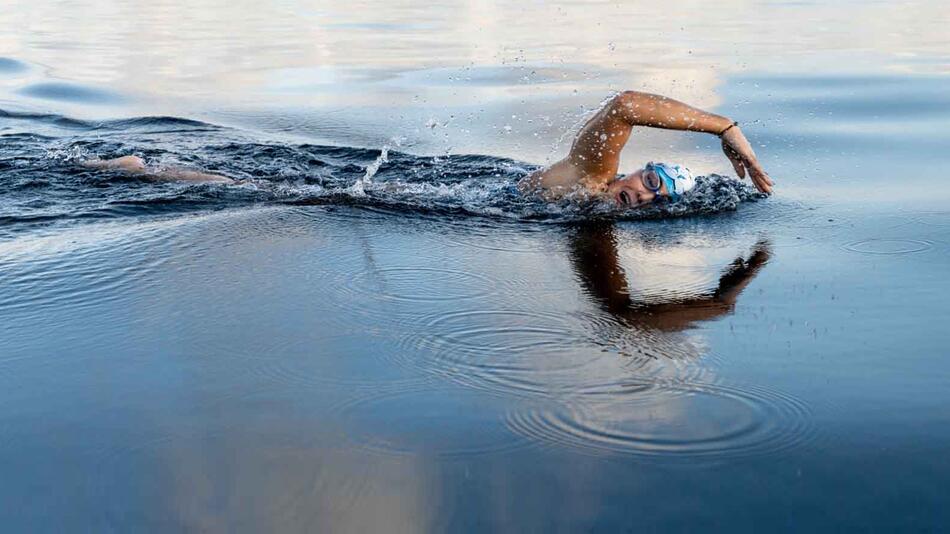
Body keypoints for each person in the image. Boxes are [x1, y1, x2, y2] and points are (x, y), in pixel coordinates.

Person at [519, 90, 773, 207]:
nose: (646, 196)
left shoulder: (595, 205)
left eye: (660, 200)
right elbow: (624, 106)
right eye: (651, 182)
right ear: (638, 172)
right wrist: (725, 128)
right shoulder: (590, 177)